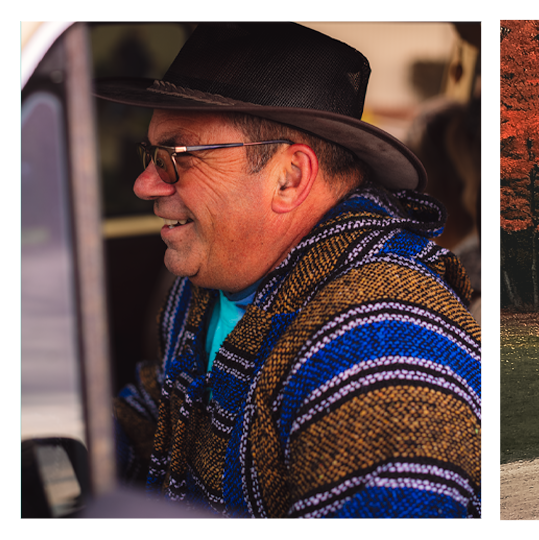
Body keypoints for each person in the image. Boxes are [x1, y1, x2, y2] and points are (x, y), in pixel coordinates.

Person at [95, 22, 481, 518]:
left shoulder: (383, 345)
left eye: (174, 157)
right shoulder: (215, 281)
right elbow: (161, 416)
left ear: (289, 178)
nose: (145, 184)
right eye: (150, 155)